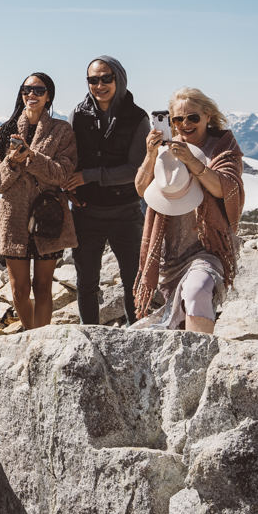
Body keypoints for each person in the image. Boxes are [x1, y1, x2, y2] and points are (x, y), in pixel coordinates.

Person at [133, 88, 245, 334]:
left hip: (208, 248)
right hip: (168, 251)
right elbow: (141, 188)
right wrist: (151, 155)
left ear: (207, 116)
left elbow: (226, 188)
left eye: (192, 117)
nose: (185, 124)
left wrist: (193, 162)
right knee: (178, 315)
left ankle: (199, 357)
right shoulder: (166, 149)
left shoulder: (222, 150)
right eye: (178, 119)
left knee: (197, 290)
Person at [0, 73, 78, 330]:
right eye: (27, 90)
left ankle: (42, 341)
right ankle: (30, 335)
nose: (32, 94)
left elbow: (62, 172)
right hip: (13, 217)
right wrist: (12, 161)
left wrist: (32, 157)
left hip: (48, 215)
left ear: (49, 96)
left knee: (43, 287)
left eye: (38, 90)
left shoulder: (62, 130)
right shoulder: (4, 132)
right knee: (19, 291)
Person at [65, 57, 148, 325]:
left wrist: (88, 176)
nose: (99, 85)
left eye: (106, 78)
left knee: (133, 281)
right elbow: (69, 159)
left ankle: (137, 335)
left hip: (125, 213)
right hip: (86, 213)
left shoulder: (138, 118)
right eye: (93, 79)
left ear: (119, 79)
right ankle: (90, 337)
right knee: (86, 282)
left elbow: (135, 168)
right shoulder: (77, 115)